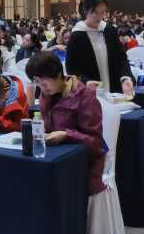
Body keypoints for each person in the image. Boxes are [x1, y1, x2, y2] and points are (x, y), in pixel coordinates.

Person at [26, 51, 105, 195]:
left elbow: (96, 144)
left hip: (84, 164)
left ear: (58, 74)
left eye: (45, 78)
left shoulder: (85, 96)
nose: (42, 85)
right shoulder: (46, 95)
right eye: (37, 81)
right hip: (55, 158)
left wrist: (67, 135)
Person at [66, 0, 135, 96]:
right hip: (90, 95)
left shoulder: (109, 30)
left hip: (114, 92)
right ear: (86, 11)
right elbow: (72, 69)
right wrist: (85, 82)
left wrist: (126, 78)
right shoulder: (77, 36)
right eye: (95, 12)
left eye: (103, 12)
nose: (99, 17)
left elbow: (121, 58)